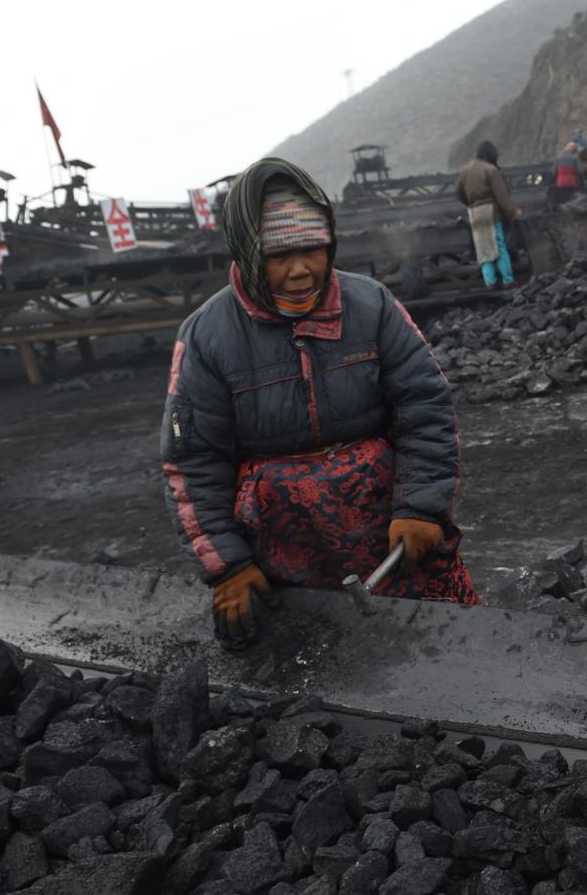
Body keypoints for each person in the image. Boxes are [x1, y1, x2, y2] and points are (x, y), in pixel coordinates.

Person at [161, 157, 479, 647]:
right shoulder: (207, 336)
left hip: (385, 523)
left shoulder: (371, 306)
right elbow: (194, 460)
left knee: (441, 644)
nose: (301, 270)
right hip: (285, 540)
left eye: (314, 248)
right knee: (315, 657)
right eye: (278, 255)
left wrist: (419, 507)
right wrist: (228, 567)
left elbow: (425, 408)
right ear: (247, 249)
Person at [455, 141, 522, 288]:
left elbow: (458, 193)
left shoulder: (465, 171)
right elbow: (502, 197)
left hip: (475, 213)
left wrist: (470, 204)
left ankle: (490, 282)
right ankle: (507, 279)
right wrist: (512, 213)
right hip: (491, 213)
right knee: (499, 245)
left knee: (483, 247)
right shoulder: (491, 170)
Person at [551, 142, 586, 207]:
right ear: (574, 151)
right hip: (572, 183)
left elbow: (553, 172)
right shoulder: (575, 159)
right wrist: (582, 182)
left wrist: (556, 180)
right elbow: (580, 171)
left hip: (560, 183)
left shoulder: (558, 159)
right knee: (574, 198)